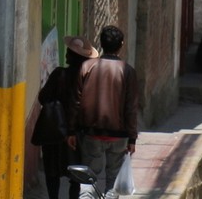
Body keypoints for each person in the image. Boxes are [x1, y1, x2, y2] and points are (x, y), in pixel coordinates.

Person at [68, 26, 139, 195]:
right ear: (121, 45)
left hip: (91, 133)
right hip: (119, 136)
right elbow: (131, 107)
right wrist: (132, 138)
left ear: (101, 44)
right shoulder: (127, 71)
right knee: (112, 182)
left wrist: (71, 130)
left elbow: (75, 102)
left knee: (87, 182)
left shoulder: (87, 67)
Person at [36, 36, 97, 199]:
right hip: (76, 132)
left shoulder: (58, 74)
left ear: (69, 56)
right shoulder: (87, 79)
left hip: (54, 129)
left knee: (52, 171)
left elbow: (42, 97)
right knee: (76, 174)